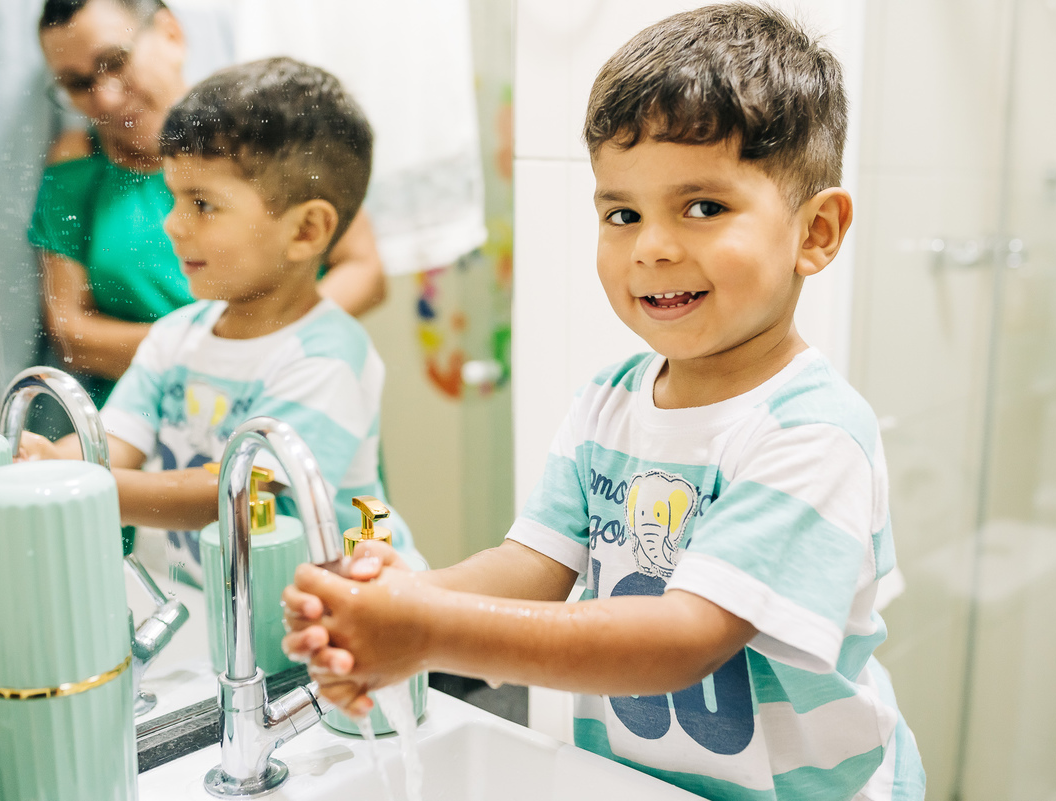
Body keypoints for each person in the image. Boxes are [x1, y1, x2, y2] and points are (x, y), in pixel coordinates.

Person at [281, 4, 926, 800]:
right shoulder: (609, 401)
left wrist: (424, 631)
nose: (651, 246)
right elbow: (532, 566)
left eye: (703, 207)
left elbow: (682, 638)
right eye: (623, 213)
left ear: (816, 232)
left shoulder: (814, 434)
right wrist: (403, 598)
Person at [19, 57, 418, 584]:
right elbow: (111, 443)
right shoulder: (175, 337)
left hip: (339, 612)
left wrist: (74, 484)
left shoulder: (328, 357)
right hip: (214, 609)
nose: (173, 224)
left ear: (305, 231)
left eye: (203, 204)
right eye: (174, 197)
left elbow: (235, 495)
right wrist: (45, 458)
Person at [30, 0, 387, 407]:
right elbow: (70, 333)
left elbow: (364, 267)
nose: (106, 99)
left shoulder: (260, 124)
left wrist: (255, 346)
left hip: (282, 393)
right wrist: (213, 352)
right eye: (77, 84)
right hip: (145, 413)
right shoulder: (78, 161)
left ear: (171, 35)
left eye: (116, 61)